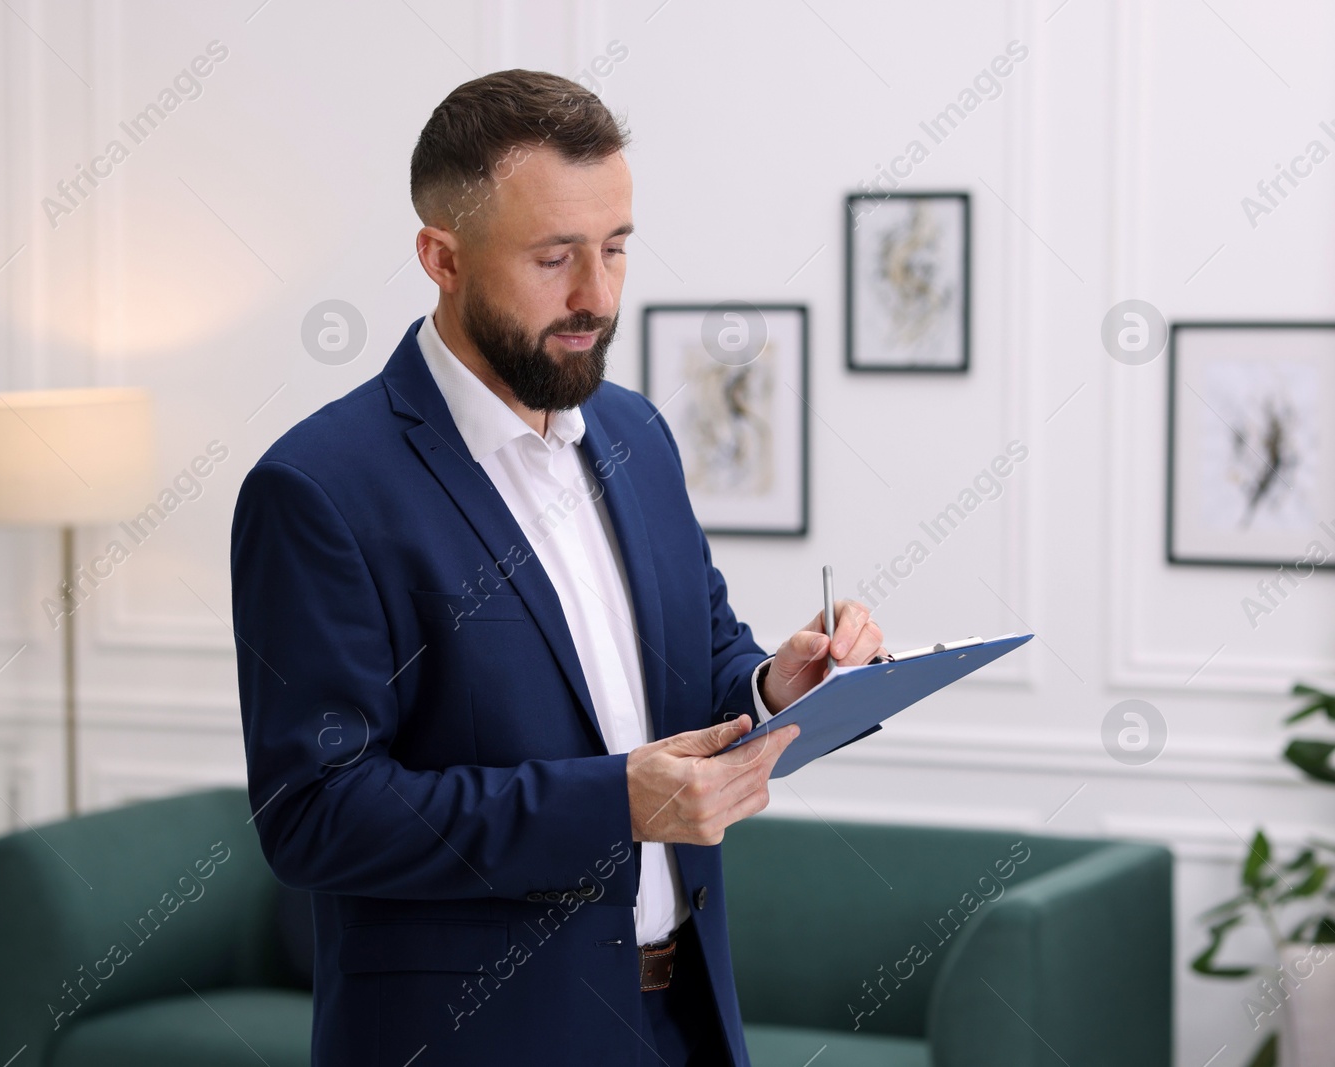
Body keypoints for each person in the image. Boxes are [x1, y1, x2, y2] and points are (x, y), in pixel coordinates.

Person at [230, 68, 886, 1067]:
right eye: (553, 258)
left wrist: (775, 683)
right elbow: (316, 813)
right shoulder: (319, 488)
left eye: (615, 248)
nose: (597, 296)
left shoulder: (638, 435)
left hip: (687, 1023)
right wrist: (613, 801)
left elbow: (700, 668)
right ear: (439, 257)